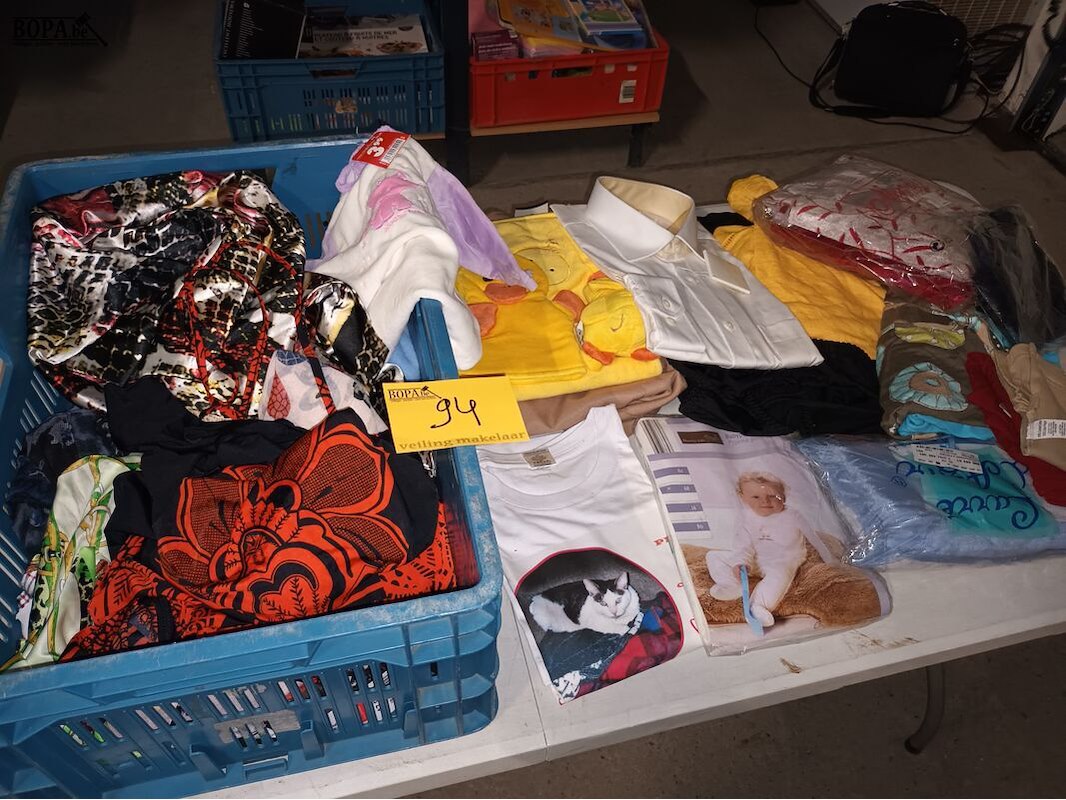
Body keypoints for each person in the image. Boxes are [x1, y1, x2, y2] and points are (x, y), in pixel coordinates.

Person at [705, 471, 811, 628]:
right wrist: (741, 562)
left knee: (778, 576)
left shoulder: (792, 516)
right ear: (743, 498)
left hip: (781, 560)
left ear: (783, 496)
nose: (765, 501)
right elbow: (742, 545)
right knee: (713, 556)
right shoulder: (747, 518)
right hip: (754, 560)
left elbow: (813, 539)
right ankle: (732, 585)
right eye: (756, 497)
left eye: (772, 496)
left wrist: (829, 558)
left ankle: (760, 606)